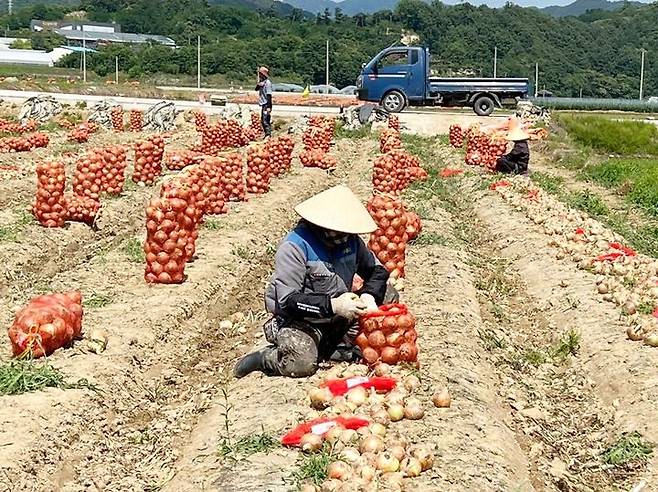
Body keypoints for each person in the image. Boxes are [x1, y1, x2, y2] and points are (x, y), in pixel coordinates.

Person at [234, 185, 393, 379]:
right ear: (323, 226)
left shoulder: (350, 241)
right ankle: (266, 357)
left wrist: (369, 295)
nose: (345, 238)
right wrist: (333, 305)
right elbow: (288, 301)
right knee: (301, 364)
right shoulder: (295, 247)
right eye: (339, 232)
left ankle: (338, 346)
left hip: (340, 315)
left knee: (388, 293)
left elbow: (377, 270)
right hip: (303, 320)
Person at [256, 66, 273, 138]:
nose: (259, 75)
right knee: (263, 119)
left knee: (265, 120)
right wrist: (258, 84)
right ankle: (267, 134)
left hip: (266, 104)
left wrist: (269, 106)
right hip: (263, 103)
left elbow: (269, 95)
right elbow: (256, 89)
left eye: (260, 74)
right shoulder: (262, 83)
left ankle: (268, 135)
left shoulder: (268, 83)